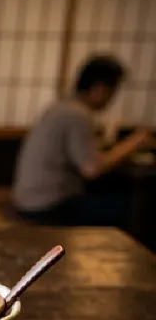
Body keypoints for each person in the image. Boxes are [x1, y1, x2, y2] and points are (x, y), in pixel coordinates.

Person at [12, 55, 153, 226]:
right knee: (134, 208)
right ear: (100, 88)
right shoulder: (77, 114)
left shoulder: (61, 106)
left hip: (28, 198)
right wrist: (134, 143)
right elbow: (91, 169)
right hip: (48, 205)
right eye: (113, 91)